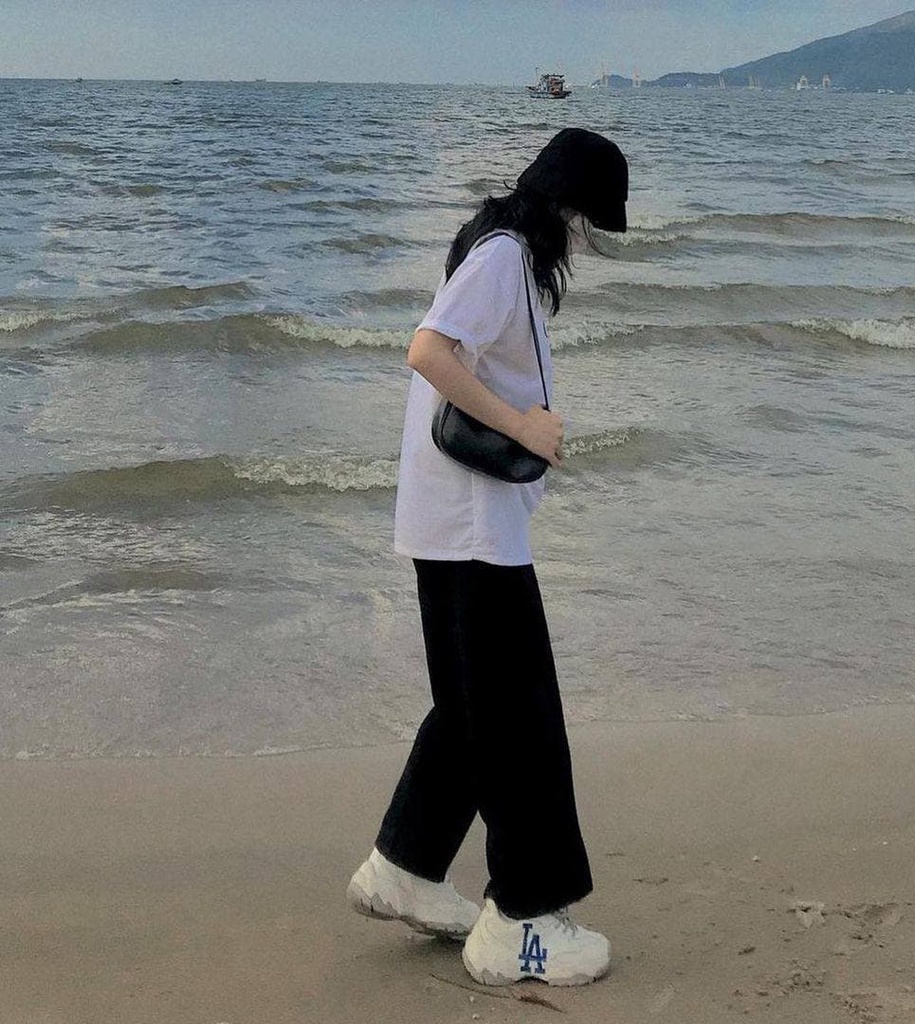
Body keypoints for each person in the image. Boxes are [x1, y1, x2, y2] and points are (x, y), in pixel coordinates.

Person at [347, 128, 629, 987]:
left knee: (474, 707)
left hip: (456, 520)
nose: (586, 240)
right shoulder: (505, 255)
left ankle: (405, 866)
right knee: (521, 719)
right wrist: (523, 427)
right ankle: (523, 922)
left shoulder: (500, 251)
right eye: (588, 222)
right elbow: (427, 350)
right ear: (568, 207)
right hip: (470, 525)